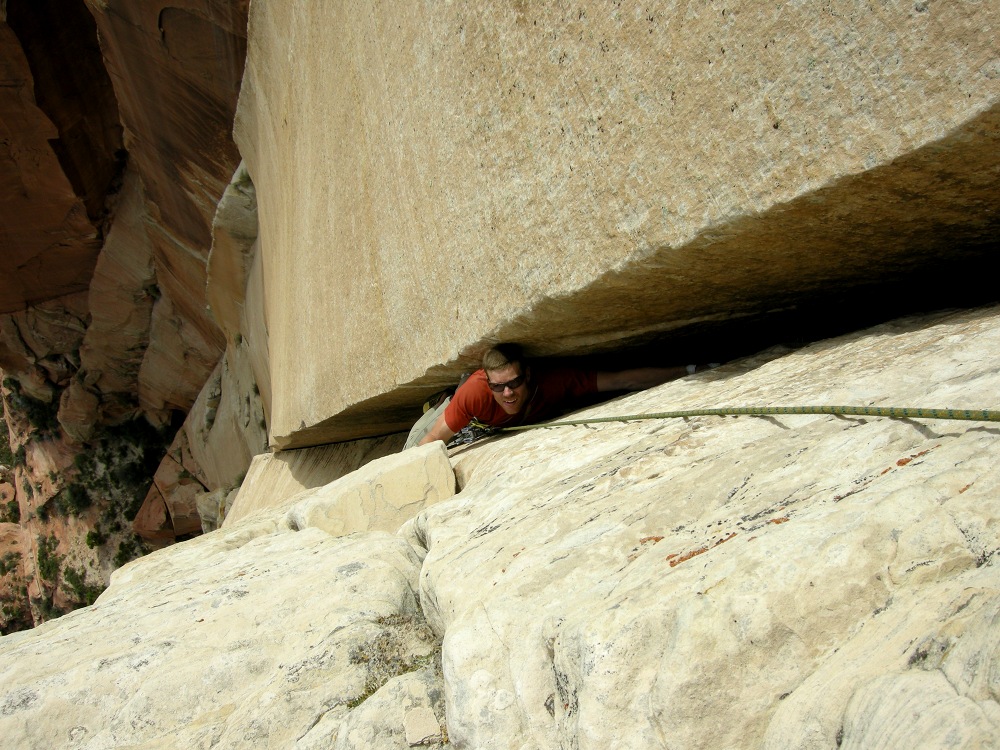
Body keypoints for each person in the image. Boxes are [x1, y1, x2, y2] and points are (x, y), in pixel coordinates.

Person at [407, 343, 708, 449]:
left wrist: (691, 369)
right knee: (411, 446)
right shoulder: (475, 392)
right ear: (487, 381)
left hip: (488, 424)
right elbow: (431, 440)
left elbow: (622, 379)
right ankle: (437, 401)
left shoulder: (555, 382)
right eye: (498, 386)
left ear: (527, 373)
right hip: (466, 420)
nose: (507, 392)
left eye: (514, 382)